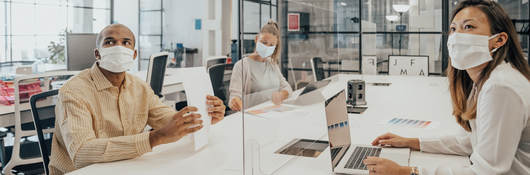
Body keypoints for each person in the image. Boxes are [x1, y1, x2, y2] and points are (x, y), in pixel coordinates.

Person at [363, 0, 530, 174]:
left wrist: (407, 172)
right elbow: (472, 141)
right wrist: (412, 142)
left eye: (468, 27)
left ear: (499, 40)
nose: (457, 36)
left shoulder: (501, 88)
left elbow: (487, 171)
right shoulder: (485, 81)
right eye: (453, 29)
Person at [48, 24, 226, 174]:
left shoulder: (139, 86)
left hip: (125, 166)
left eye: (126, 43)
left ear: (133, 55)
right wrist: (153, 138)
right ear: (98, 53)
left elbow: (167, 119)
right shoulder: (73, 91)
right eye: (110, 42)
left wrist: (203, 116)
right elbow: (81, 153)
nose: (119, 47)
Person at [228, 20, 292, 111]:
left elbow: (287, 88)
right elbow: (234, 97)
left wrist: (281, 95)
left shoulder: (272, 64)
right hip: (253, 116)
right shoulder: (241, 66)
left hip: (273, 112)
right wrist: (235, 102)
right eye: (264, 42)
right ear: (256, 39)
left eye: (271, 45)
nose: (267, 47)